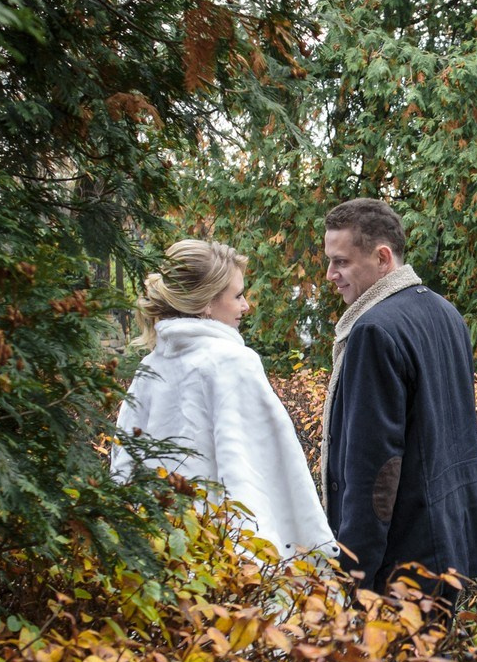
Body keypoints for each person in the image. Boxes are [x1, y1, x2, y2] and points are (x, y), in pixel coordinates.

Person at [111, 239, 333, 561]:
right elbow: (260, 472)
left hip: (158, 552)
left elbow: (124, 464)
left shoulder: (150, 367)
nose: (247, 306)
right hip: (224, 556)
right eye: (238, 295)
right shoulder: (232, 362)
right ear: (206, 303)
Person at [320, 198, 477, 593]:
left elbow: (374, 470)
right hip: (450, 549)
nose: (331, 274)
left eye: (341, 261)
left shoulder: (373, 331)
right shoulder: (446, 312)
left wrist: (352, 575)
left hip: (399, 568)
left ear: (382, 258)